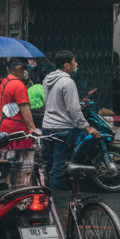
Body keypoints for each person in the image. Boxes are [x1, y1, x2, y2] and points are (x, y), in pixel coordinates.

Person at [41, 50, 100, 191]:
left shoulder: (48, 79)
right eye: (74, 62)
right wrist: (87, 127)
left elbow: (49, 102)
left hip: (48, 127)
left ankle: (50, 197)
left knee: (50, 166)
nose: (76, 64)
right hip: (63, 129)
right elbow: (73, 109)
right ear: (66, 65)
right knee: (59, 169)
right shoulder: (68, 82)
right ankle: (60, 200)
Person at [0, 58, 38, 186]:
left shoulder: (4, 83)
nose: (25, 73)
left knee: (6, 165)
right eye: (24, 69)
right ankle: (21, 189)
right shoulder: (18, 85)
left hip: (4, 128)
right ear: (18, 68)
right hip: (17, 130)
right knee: (23, 167)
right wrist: (33, 130)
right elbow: (24, 108)